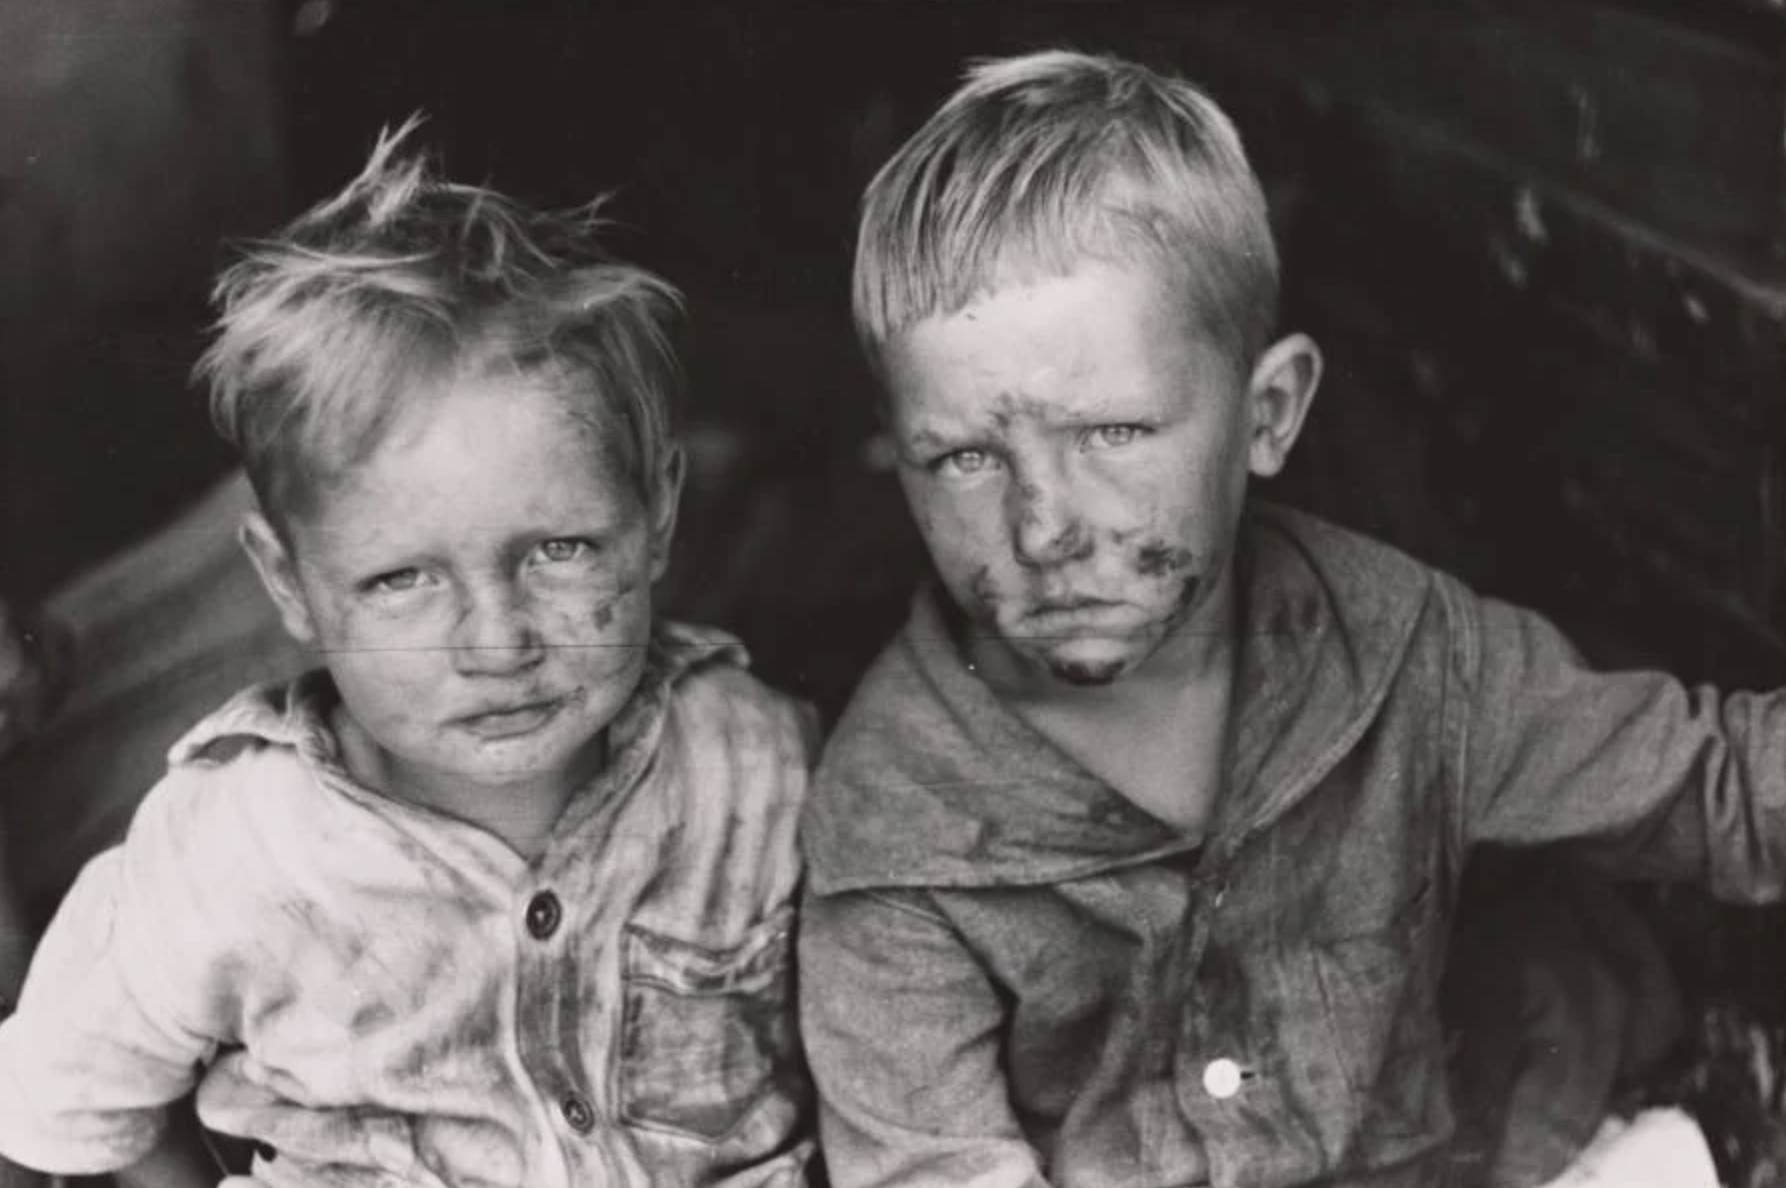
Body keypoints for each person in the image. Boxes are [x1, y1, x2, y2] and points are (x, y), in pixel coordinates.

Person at [797, 49, 1766, 1187]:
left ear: (1269, 414)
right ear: (895, 458)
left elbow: (1714, 787)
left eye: (1111, 433)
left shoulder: (1407, 653)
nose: (1043, 525)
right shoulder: (892, 833)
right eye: (962, 456)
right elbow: (929, 1169)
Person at [0, 122, 815, 1188]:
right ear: (287, 582)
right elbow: (53, 1113)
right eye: (401, 580)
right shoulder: (228, 849)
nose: (496, 643)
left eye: (560, 551)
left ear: (659, 511)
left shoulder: (760, 759)